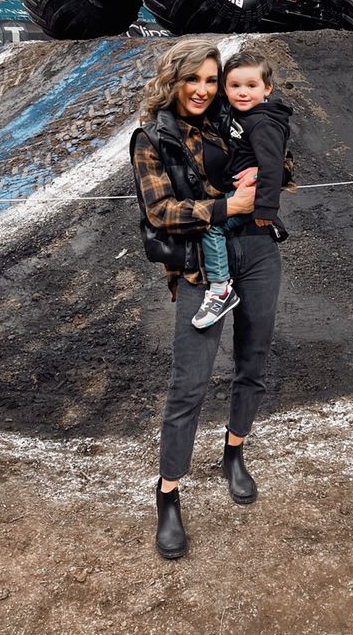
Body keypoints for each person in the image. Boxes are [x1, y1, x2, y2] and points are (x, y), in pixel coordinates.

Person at [130, 38, 284, 560]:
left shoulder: (234, 116)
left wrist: (269, 173)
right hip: (200, 264)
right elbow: (160, 211)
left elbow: (285, 166)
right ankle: (168, 494)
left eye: (210, 80)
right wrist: (226, 205)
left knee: (252, 362)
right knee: (189, 383)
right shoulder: (151, 138)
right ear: (172, 80)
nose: (202, 89)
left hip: (259, 250)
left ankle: (233, 453)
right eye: (192, 79)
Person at [192, 50, 293, 330]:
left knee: (210, 225)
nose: (243, 93)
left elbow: (272, 167)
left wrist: (265, 209)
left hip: (251, 198)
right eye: (235, 86)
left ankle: (220, 288)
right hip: (239, 190)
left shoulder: (263, 123)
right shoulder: (240, 113)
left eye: (252, 86)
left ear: (267, 88)